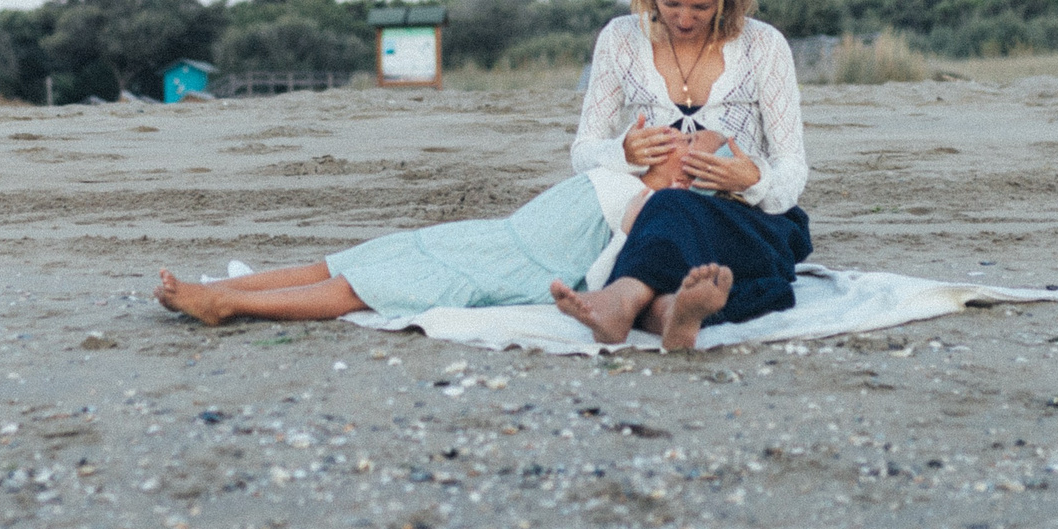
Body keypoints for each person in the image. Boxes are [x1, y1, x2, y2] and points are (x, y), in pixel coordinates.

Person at [550, 0, 810, 348]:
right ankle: (672, 313)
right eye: (671, 4)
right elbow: (584, 151)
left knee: (681, 215)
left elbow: (793, 167)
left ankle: (619, 301)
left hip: (744, 216)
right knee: (671, 215)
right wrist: (623, 153)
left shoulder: (764, 46)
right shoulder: (619, 39)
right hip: (648, 211)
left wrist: (754, 180)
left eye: (701, 7)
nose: (684, 19)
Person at [154, 139, 694, 327]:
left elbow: (634, 245)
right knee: (343, 263)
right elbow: (589, 147)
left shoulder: (651, 202)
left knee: (361, 288)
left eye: (695, 149)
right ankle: (222, 291)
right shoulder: (617, 169)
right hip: (485, 237)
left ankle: (226, 304)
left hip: (506, 265)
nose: (680, 142)